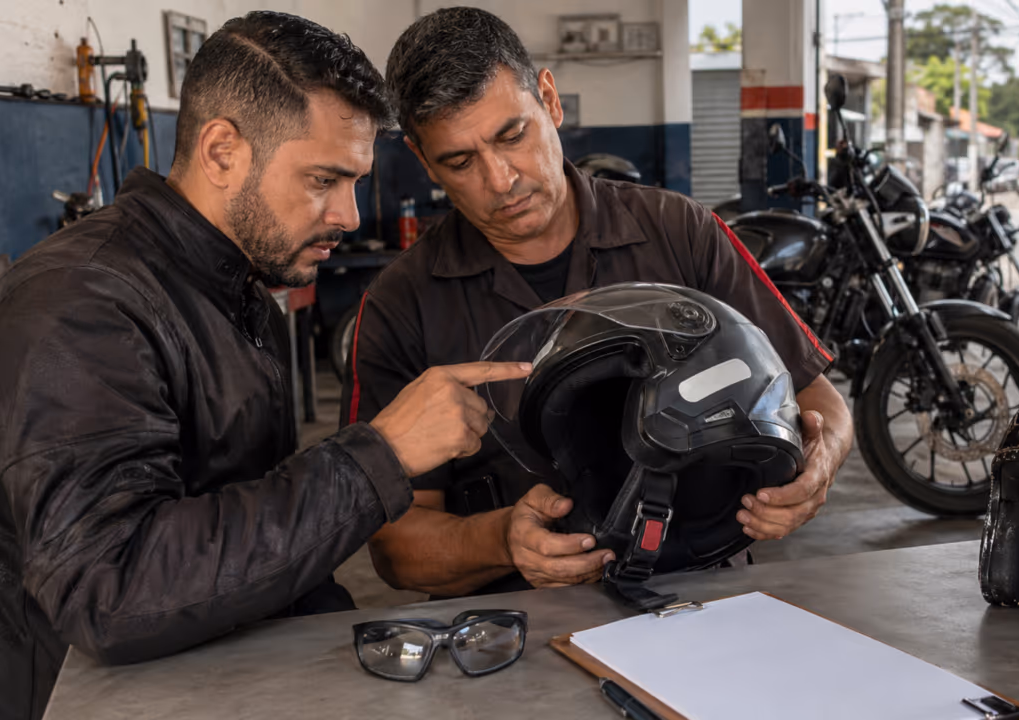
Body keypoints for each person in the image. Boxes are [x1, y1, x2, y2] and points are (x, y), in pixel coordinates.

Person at [0, 13, 527, 720]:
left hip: (209, 684)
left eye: (356, 181)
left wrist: (347, 642)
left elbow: (260, 543)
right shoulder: (77, 303)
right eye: (324, 179)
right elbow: (108, 589)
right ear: (221, 151)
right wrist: (380, 455)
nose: (348, 214)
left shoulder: (239, 296)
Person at [342, 7, 854, 598]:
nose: (501, 178)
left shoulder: (681, 232)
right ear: (422, 159)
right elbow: (394, 549)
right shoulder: (400, 304)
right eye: (460, 161)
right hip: (511, 634)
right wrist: (500, 539)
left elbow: (815, 393)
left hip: (696, 598)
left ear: (550, 101)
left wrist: (819, 464)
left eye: (513, 135)